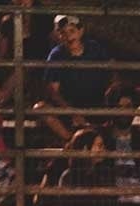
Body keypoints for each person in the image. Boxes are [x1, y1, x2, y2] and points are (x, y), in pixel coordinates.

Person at [35, 14, 111, 144]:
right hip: (68, 106)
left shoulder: (94, 49)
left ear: (81, 31)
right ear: (58, 36)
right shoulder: (56, 55)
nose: (69, 37)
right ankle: (73, 141)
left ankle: (97, 137)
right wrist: (72, 112)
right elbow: (53, 92)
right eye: (63, 33)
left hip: (95, 104)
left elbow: (110, 72)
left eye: (72, 31)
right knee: (40, 108)